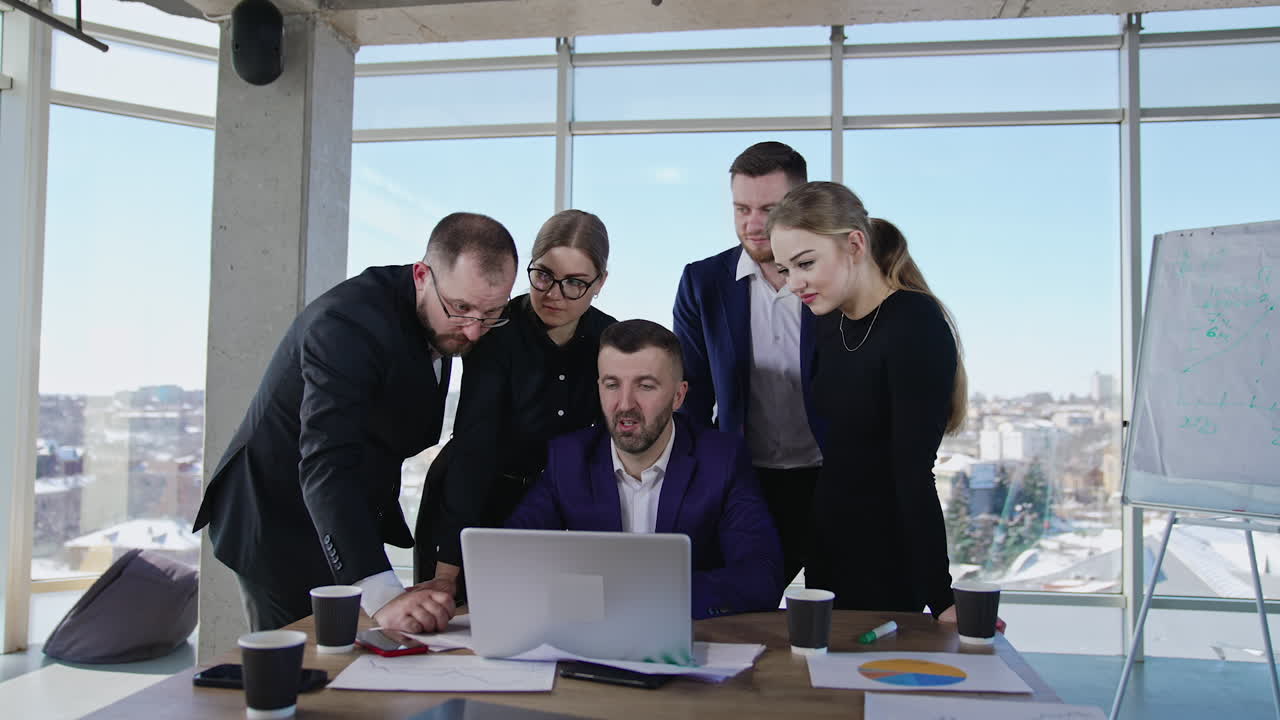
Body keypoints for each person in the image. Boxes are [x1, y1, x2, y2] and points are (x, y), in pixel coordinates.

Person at [192, 212, 518, 634]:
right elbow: (327, 462)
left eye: (491, 313)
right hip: (276, 521)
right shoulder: (346, 325)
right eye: (461, 309)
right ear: (422, 275)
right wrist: (381, 594)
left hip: (344, 516)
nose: (474, 332)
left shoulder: (445, 322)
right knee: (302, 674)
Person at [768, 182, 965, 619]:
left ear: (854, 244)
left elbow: (913, 473)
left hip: (890, 561)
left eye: (805, 263)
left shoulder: (916, 325)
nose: (793, 283)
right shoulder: (825, 320)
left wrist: (943, 598)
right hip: (828, 550)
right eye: (785, 269)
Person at [506, 319, 784, 619]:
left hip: (689, 642)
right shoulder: (569, 457)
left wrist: (641, 595)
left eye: (645, 386)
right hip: (593, 643)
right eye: (612, 385)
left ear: (679, 395)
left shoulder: (723, 459)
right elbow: (513, 555)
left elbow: (760, 579)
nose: (625, 404)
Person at [416, 210, 618, 596]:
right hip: (473, 504)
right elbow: (475, 450)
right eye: (543, 275)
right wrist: (446, 574)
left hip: (558, 514)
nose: (554, 294)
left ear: (600, 283)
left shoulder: (609, 339)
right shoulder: (496, 328)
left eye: (575, 283)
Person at [672, 141, 824, 587]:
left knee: (837, 622)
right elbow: (692, 396)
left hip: (828, 479)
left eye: (769, 209)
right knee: (738, 615)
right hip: (744, 481)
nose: (753, 225)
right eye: (742, 209)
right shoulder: (703, 283)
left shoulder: (832, 280)